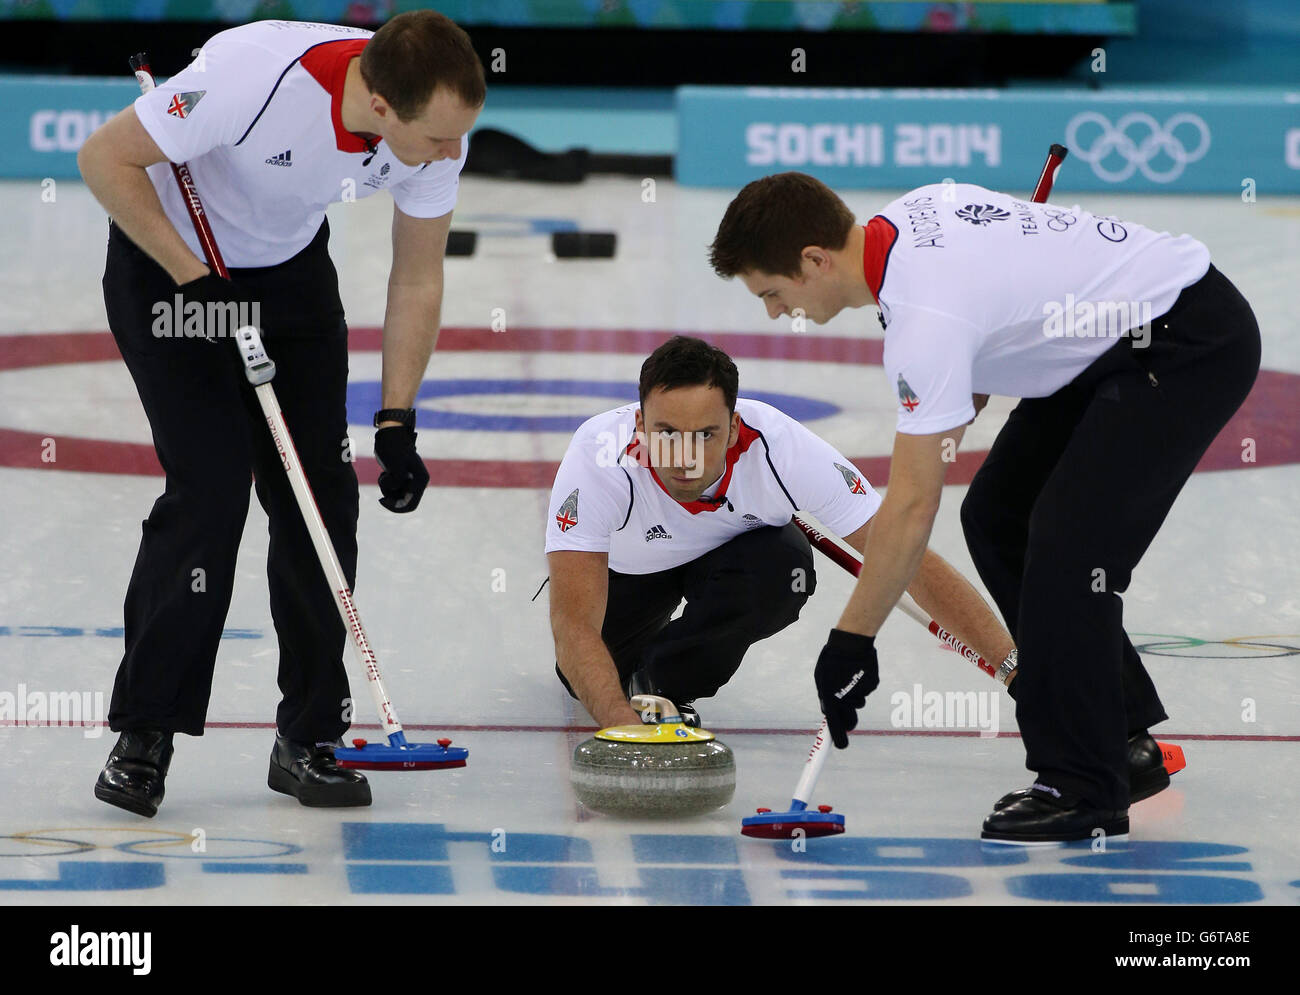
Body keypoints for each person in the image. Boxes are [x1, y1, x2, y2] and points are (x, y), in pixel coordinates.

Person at [709, 172, 1260, 843]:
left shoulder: (925, 315)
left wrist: (852, 639)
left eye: (772, 293)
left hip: (1183, 342)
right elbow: (964, 375)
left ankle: (1084, 783)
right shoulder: (910, 218)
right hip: (1103, 344)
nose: (773, 311)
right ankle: (1118, 737)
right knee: (999, 514)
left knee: (1068, 551)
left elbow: (912, 508)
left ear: (815, 261)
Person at [77, 12, 485, 815]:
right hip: (173, 268)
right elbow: (103, 158)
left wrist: (397, 418)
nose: (452, 153)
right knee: (211, 492)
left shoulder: (436, 134)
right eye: (437, 138)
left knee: (320, 502)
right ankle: (145, 734)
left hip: (289, 276)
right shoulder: (254, 77)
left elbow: (417, 277)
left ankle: (307, 737)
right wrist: (194, 280)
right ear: (377, 101)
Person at [544, 334, 1018, 730]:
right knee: (585, 679)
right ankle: (637, 675)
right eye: (666, 432)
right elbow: (574, 623)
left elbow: (907, 557)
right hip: (628, 575)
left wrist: (1016, 670)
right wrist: (618, 724)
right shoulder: (599, 457)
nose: (683, 456)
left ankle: (665, 683)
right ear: (640, 425)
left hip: (726, 560)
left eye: (705, 434)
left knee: (781, 566)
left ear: (733, 429)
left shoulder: (780, 447)